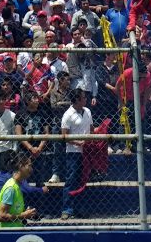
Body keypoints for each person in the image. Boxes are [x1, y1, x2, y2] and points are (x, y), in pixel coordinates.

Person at [60, 89, 92, 220]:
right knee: (71, 180)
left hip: (87, 151)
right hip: (73, 152)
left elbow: (91, 129)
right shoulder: (68, 115)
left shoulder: (88, 111)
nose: (86, 99)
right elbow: (64, 136)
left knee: (82, 181)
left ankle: (79, 208)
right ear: (77, 100)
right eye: (83, 97)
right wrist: (78, 142)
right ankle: (67, 209)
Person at [0, 152, 39, 228]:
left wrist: (25, 212)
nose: (31, 169)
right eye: (29, 166)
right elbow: (2, 216)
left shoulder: (17, 185)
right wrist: (24, 215)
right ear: (21, 166)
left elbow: (12, 211)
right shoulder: (11, 188)